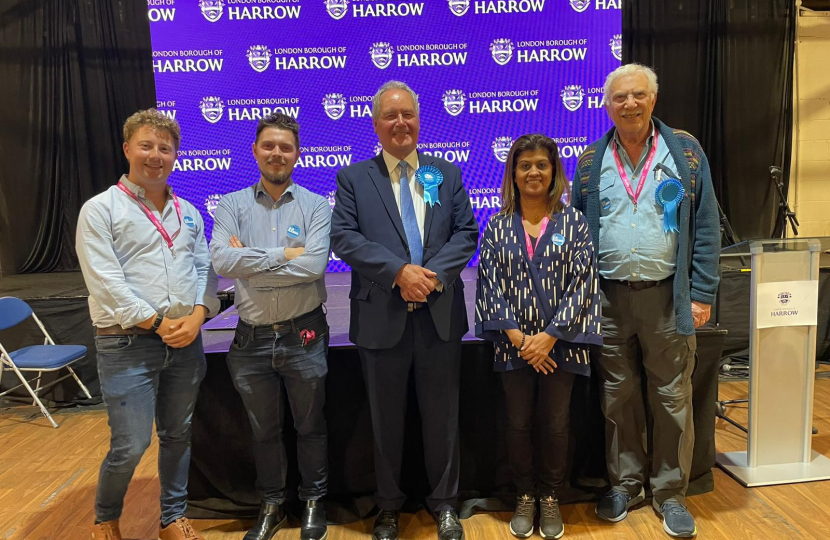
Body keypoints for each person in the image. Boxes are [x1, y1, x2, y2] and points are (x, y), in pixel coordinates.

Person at [571, 64, 720, 538]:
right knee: (618, 397)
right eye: (620, 98)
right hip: (609, 300)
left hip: (667, 299)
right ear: (607, 105)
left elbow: (707, 226)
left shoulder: (687, 152)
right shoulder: (591, 161)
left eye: (638, 95)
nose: (629, 104)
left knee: (672, 397)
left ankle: (670, 492)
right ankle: (626, 484)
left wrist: (700, 294)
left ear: (653, 100)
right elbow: (577, 231)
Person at [330, 81, 478, 540]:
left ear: (419, 120)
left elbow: (466, 234)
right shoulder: (354, 178)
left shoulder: (446, 173)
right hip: (382, 320)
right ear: (376, 125)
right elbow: (345, 237)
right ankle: (389, 508)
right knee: (385, 421)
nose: (401, 123)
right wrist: (399, 273)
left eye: (408, 114)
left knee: (442, 419)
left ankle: (445, 504)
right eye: (391, 116)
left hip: (438, 316)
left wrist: (427, 277)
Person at [77, 109, 219, 540]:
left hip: (186, 341)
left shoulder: (188, 212)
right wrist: (158, 324)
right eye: (146, 145)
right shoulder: (100, 209)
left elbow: (204, 271)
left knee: (178, 434)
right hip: (127, 345)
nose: (156, 155)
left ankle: (172, 517)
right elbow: (106, 283)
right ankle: (106, 518)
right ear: (127, 149)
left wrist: (198, 314)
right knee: (131, 445)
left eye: (165, 147)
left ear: (175, 154)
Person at [209, 113, 331, 540]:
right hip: (251, 337)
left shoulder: (316, 204)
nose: (277, 153)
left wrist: (251, 263)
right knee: (264, 431)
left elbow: (315, 263)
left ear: (297, 154)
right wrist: (285, 255)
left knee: (310, 425)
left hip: (305, 334)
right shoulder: (231, 205)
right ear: (255, 150)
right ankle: (273, 504)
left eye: (286, 147)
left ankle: (314, 501)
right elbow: (222, 261)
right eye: (269, 145)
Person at [475, 134, 602, 539]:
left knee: (556, 423)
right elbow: (488, 286)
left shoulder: (574, 223)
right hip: (514, 348)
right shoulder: (497, 225)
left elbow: (584, 283)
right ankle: (525, 494)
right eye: (525, 165)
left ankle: (550, 495)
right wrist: (519, 338)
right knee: (517, 423)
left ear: (554, 172)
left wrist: (549, 337)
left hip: (561, 347)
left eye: (541, 165)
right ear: (513, 172)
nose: (533, 172)